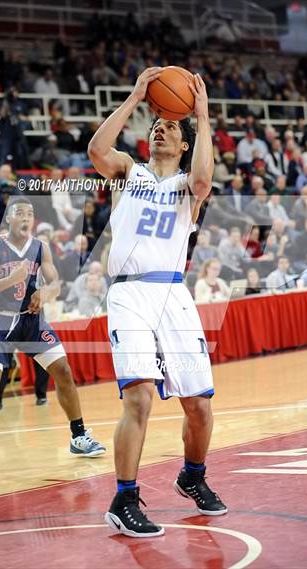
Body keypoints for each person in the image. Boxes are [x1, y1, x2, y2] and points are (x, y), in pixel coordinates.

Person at [88, 68, 227, 538]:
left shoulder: (188, 186)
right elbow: (96, 151)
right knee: (140, 398)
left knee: (200, 408)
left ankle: (193, 476)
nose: (160, 129)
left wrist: (202, 115)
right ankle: (124, 498)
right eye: (156, 125)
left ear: (184, 142)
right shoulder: (129, 171)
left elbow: (206, 178)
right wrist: (133, 97)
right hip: (129, 292)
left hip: (173, 294)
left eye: (169, 126)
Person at [0, 197, 105, 475]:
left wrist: (45, 293)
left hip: (30, 320)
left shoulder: (40, 248)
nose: (26, 218)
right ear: (8, 219)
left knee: (63, 370)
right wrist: (9, 280)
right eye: (20, 213)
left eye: (30, 213)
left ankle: (78, 437)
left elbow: (56, 283)